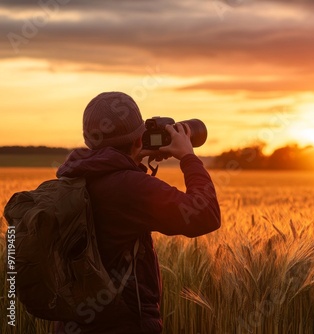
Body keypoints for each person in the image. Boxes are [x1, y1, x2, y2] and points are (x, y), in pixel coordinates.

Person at [54, 92, 221, 333]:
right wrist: (188, 157)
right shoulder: (131, 187)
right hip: (122, 325)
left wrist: (131, 157)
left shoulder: (73, 178)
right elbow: (205, 215)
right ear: (138, 139)